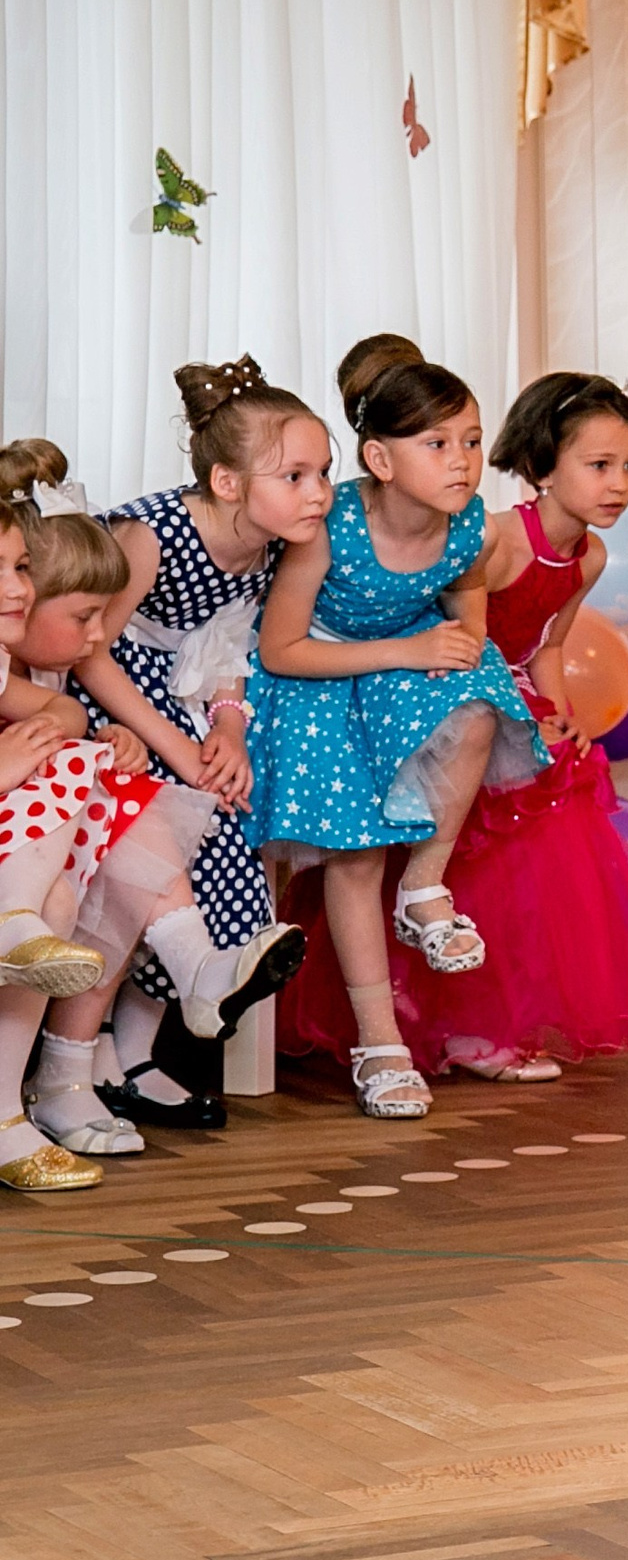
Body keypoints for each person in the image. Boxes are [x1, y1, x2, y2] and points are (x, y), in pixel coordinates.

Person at [283, 372, 628, 1077]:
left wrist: (560, 714)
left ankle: (489, 1020)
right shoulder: (497, 539)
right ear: (541, 467)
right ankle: (428, 1018)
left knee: (528, 885)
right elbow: (462, 633)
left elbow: (549, 644)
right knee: (465, 865)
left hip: (511, 700)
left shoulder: (590, 557)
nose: (619, 482)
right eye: (600, 465)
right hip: (457, 698)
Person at [248, 337, 547, 1119]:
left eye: (473, 441)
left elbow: (466, 592)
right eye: (438, 444)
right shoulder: (331, 526)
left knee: (483, 690)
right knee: (356, 848)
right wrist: (410, 650)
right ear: (379, 460)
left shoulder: (467, 522)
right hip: (315, 678)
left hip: (397, 668)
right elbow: (281, 649)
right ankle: (379, 1045)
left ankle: (424, 888)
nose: (463, 461)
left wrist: (454, 642)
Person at [71, 360, 334, 1132]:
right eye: (296, 474)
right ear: (226, 482)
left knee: (223, 822)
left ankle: (141, 1047)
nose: (318, 491)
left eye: (323, 472)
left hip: (184, 703)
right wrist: (176, 750)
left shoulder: (264, 546)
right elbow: (90, 651)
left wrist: (225, 730)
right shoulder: (154, 534)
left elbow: (225, 652)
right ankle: (90, 1055)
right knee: (165, 838)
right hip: (111, 704)